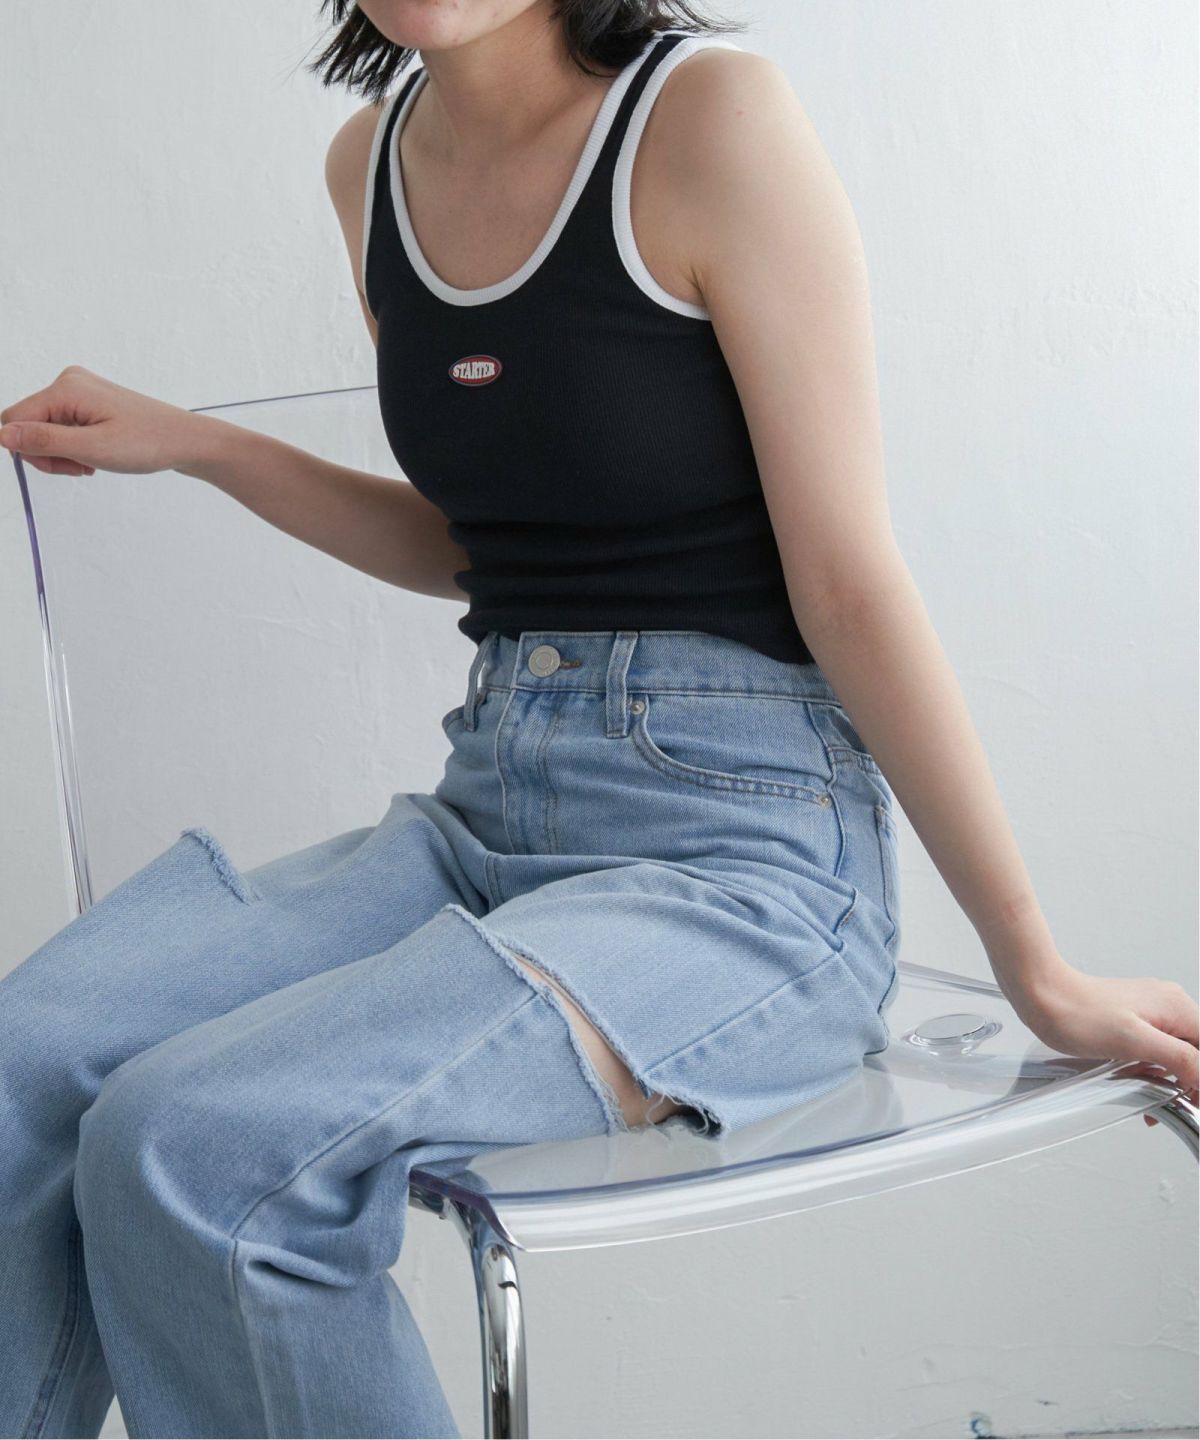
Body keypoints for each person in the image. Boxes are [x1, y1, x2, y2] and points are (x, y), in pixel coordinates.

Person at [1, 1, 1196, 1436]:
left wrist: (1033, 963)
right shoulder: (368, 164)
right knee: (28, 1057)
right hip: (489, 815)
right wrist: (202, 446)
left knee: (200, 1143)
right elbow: (489, 542)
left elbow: (844, 583)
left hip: (742, 864)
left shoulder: (709, 119)